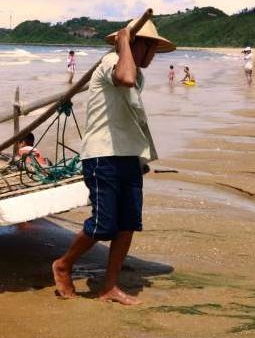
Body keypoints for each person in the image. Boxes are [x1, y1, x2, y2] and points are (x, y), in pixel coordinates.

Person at [51, 18, 175, 305]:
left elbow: (129, 107)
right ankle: (63, 264)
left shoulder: (135, 72)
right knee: (103, 225)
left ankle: (109, 287)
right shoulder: (110, 62)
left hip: (128, 156)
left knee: (127, 223)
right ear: (135, 44)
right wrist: (122, 44)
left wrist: (140, 158)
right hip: (102, 156)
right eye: (151, 47)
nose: (154, 55)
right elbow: (125, 78)